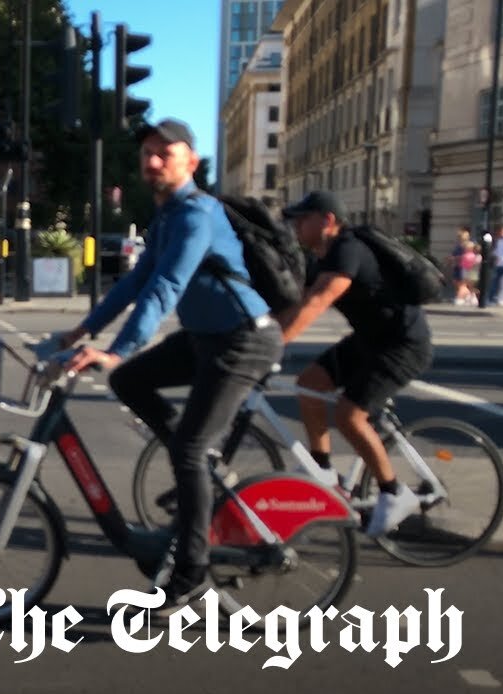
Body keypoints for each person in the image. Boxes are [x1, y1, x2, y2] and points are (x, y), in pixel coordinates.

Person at [56, 118, 284, 611]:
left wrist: (119, 347)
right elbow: (134, 283)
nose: (153, 160)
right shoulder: (165, 217)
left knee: (186, 449)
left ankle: (191, 576)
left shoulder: (197, 214)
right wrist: (82, 330)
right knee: (131, 382)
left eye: (165, 152)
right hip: (205, 338)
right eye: (147, 153)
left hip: (243, 339)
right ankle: (197, 460)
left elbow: (166, 288)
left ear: (191, 162)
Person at [276, 191, 433, 538]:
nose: (296, 226)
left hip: (402, 345)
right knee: (309, 384)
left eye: (303, 219)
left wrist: (275, 343)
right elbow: (296, 302)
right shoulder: (323, 256)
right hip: (369, 341)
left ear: (328, 220)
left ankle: (394, 492)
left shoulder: (348, 249)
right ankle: (323, 471)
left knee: (349, 414)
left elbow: (319, 300)